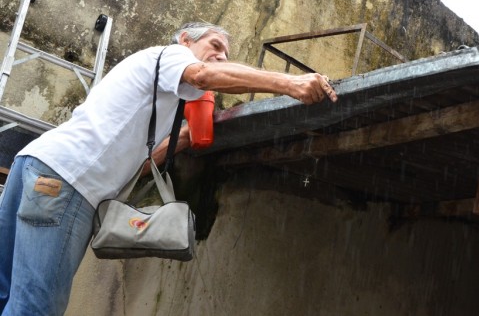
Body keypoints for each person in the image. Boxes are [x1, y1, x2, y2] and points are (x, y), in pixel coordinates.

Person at [0, 22, 337, 315]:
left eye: (226, 54)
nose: (221, 57)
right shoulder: (172, 55)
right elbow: (204, 75)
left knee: (4, 294)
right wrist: (291, 84)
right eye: (215, 46)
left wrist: (188, 137)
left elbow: (144, 163)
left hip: (35, 165)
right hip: (70, 181)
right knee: (36, 308)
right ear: (186, 41)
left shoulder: (161, 94)